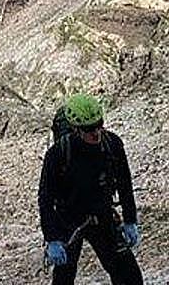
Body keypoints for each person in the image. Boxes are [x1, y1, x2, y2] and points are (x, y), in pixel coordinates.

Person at [38, 93, 143, 285]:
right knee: (64, 277)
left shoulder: (112, 144)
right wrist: (52, 238)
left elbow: (124, 184)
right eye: (89, 129)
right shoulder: (58, 154)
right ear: (75, 129)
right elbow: (45, 198)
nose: (96, 132)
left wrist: (130, 220)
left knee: (129, 276)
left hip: (101, 215)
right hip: (67, 220)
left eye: (99, 124)